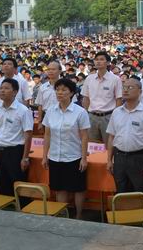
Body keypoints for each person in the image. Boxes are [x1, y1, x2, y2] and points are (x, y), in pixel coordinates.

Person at [42, 78, 90, 219]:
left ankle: (79, 215)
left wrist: (84, 158)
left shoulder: (80, 112)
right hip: (55, 156)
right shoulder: (51, 111)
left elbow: (84, 137)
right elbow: (47, 135)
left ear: (72, 93)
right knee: (60, 188)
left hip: (74, 156)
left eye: (64, 90)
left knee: (78, 188)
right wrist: (45, 156)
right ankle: (63, 215)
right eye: (57, 90)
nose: (60, 92)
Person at [106, 77, 143, 193]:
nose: (126, 90)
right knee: (121, 191)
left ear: (140, 91)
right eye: (124, 87)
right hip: (119, 156)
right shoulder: (116, 112)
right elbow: (111, 136)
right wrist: (109, 160)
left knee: (140, 191)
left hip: (138, 157)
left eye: (130, 87)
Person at [0, 78, 34, 196]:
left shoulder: (23, 110)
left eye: (6, 88)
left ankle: (21, 206)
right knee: (2, 184)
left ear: (15, 92)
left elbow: (28, 134)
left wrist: (25, 158)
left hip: (15, 152)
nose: (2, 91)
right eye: (1, 88)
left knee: (18, 185)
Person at [81, 51, 122, 144]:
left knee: (109, 145)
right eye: (96, 59)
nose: (98, 62)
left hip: (108, 117)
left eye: (101, 59)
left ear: (108, 63)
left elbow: (118, 100)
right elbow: (86, 98)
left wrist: (116, 117)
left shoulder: (115, 79)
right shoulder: (89, 78)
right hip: (92, 117)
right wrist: (86, 114)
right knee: (92, 145)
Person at [35, 61, 62, 126]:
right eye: (48, 69)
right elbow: (40, 105)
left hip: (61, 116)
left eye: (53, 69)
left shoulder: (66, 86)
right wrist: (40, 121)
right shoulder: (42, 87)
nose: (50, 71)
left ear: (60, 71)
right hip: (46, 117)